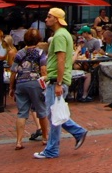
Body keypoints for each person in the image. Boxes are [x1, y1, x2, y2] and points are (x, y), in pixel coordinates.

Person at [33, 8, 88, 159]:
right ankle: (70, 137)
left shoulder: (59, 36)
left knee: (54, 115)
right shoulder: (65, 35)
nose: (46, 19)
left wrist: (57, 82)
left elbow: (61, 60)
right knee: (55, 114)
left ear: (56, 19)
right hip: (57, 79)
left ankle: (56, 146)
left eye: (49, 16)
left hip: (57, 81)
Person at [9, 28, 48, 150]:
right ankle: (45, 137)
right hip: (35, 82)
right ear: (38, 40)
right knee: (41, 111)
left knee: (22, 113)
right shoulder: (41, 53)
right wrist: (45, 81)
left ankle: (19, 141)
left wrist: (11, 87)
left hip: (21, 83)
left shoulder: (19, 53)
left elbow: (13, 71)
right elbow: (43, 70)